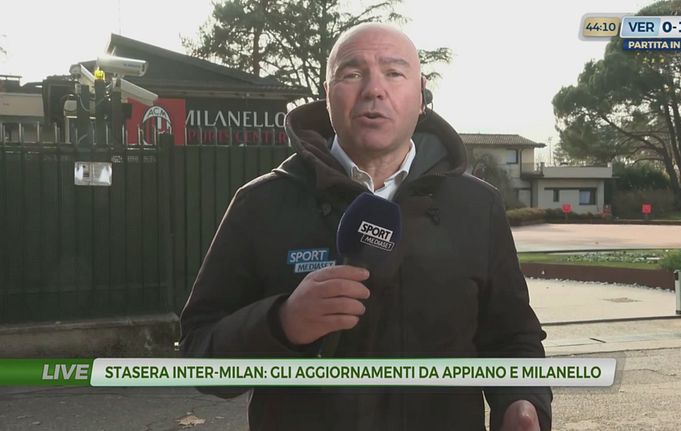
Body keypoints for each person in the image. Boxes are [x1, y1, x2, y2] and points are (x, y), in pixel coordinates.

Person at [179, 23, 552, 431]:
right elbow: (200, 355)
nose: (374, 90)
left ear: (421, 96)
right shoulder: (261, 203)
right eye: (353, 73)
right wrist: (282, 323)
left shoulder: (477, 206)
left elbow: (513, 337)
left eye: (394, 73)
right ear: (327, 95)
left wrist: (522, 401)